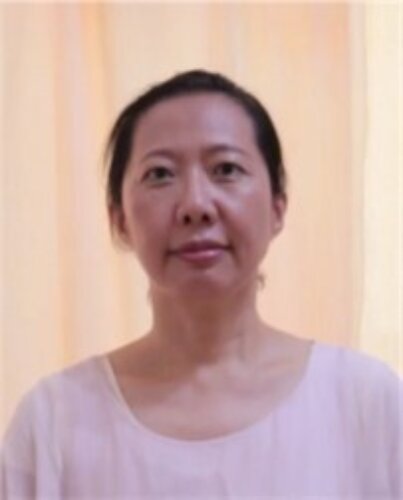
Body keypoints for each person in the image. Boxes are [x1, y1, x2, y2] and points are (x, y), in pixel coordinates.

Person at [1, 69, 402, 498]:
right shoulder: (53, 422)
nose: (195, 205)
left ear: (277, 207)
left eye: (226, 169)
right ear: (119, 220)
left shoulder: (366, 403)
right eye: (160, 174)